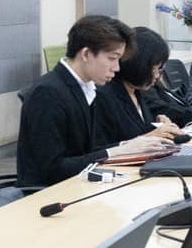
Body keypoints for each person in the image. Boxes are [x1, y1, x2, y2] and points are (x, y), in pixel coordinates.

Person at [16, 15, 166, 188]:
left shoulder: (86, 89)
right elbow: (52, 170)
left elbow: (87, 151)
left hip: (79, 185)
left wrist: (130, 146)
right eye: (112, 58)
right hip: (48, 193)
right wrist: (116, 152)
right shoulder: (48, 93)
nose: (117, 68)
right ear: (86, 54)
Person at [95, 27, 189, 145]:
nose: (157, 76)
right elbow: (102, 148)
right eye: (156, 68)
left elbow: (136, 132)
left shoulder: (136, 92)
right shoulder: (105, 95)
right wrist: (150, 136)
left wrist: (158, 127)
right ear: (139, 64)